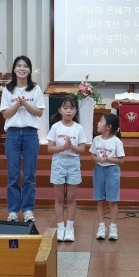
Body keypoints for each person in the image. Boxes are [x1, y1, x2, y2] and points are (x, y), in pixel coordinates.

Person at [0, 56, 45, 223]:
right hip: (12, 134)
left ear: (30, 70)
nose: (22, 68)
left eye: (25, 66)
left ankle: (27, 210)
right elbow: (5, 115)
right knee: (12, 175)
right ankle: (13, 211)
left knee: (29, 176)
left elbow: (39, 112)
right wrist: (16, 105)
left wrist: (26, 104)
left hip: (30, 134)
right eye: (18, 66)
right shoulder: (8, 89)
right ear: (14, 69)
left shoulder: (35, 89)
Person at [47, 97, 87, 242]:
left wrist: (72, 147)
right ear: (60, 110)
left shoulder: (78, 128)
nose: (68, 111)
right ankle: (60, 228)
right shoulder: (55, 127)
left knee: (70, 198)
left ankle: (69, 229)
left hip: (73, 162)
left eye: (71, 108)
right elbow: (50, 148)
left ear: (75, 111)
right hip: (58, 162)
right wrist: (63, 147)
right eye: (65, 108)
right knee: (59, 198)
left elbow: (82, 149)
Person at [90, 113, 125, 241]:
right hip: (99, 170)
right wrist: (98, 159)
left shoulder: (116, 141)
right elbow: (92, 156)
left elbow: (121, 160)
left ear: (109, 126)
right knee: (100, 199)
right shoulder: (96, 139)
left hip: (112, 170)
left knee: (112, 200)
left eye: (101, 121)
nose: (98, 123)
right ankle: (101, 226)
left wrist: (108, 159)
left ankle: (113, 227)